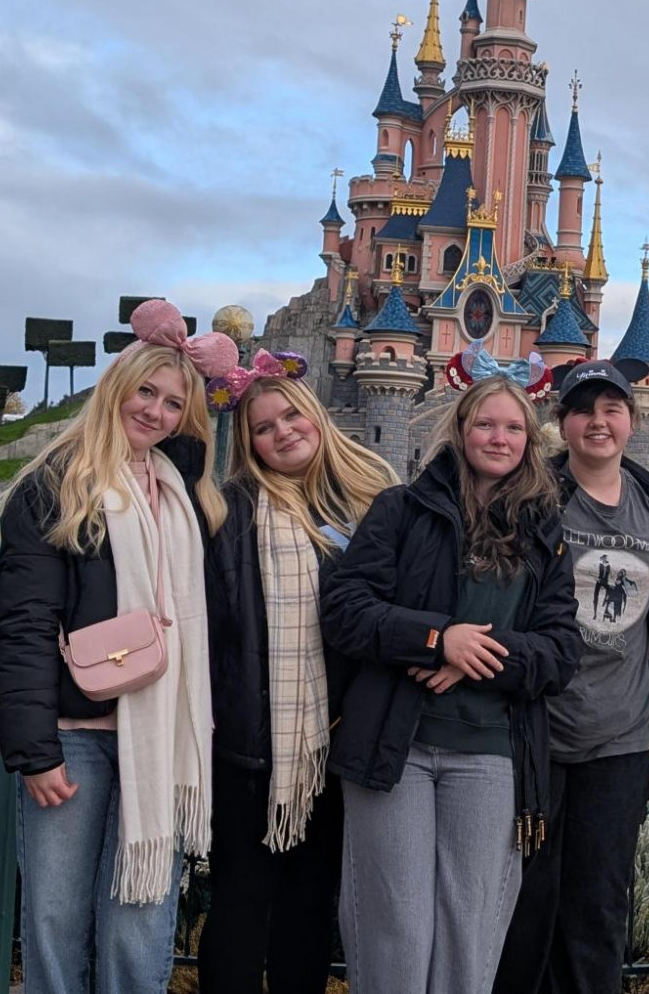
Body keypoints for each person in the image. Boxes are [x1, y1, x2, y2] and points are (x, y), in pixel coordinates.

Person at [321, 350, 584, 994]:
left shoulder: (543, 533)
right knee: (397, 925)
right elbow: (346, 610)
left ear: (530, 440)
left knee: (470, 929)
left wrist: (476, 659)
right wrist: (437, 640)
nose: (499, 438)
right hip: (397, 746)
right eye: (485, 425)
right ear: (461, 430)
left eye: (513, 428)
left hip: (490, 751)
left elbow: (560, 652)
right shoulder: (401, 510)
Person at [0, 300, 235, 994]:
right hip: (72, 737)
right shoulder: (55, 484)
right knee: (55, 916)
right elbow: (26, 624)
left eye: (173, 403)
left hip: (157, 739)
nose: (155, 411)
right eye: (145, 392)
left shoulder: (182, 494)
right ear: (116, 388)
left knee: (141, 918)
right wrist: (34, 750)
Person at [197, 349, 397, 993]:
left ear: (315, 413)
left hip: (339, 744)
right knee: (240, 904)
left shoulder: (374, 498)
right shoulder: (233, 510)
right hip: (254, 745)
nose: (283, 432)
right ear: (249, 444)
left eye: (291, 416)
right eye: (264, 427)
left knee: (310, 911)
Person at [494, 358, 649, 994]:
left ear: (632, 421)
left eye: (611, 410)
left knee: (599, 903)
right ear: (561, 422)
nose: (598, 423)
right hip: (539, 731)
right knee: (526, 899)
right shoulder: (532, 497)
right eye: (583, 411)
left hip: (620, 735)